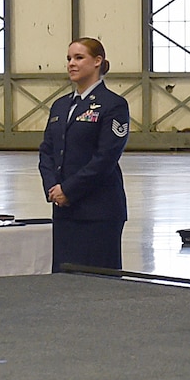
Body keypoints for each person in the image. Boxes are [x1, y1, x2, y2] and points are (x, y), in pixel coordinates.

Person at [39, 38, 130, 271]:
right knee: (64, 280)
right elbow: (47, 151)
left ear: (97, 61)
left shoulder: (113, 105)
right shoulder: (60, 106)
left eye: (79, 58)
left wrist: (69, 190)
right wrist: (53, 189)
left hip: (98, 212)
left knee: (97, 283)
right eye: (69, 59)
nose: (71, 64)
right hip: (64, 211)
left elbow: (105, 158)